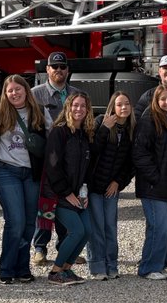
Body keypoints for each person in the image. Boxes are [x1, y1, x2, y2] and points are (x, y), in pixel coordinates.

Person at [0, 75, 46, 285]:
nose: (14, 93)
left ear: (26, 90)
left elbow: (50, 137)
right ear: (5, 94)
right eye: (10, 90)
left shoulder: (38, 112)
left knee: (30, 223)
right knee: (16, 221)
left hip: (30, 173)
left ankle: (22, 267)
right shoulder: (0, 113)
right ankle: (6, 267)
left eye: (18, 89)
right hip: (7, 171)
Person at [132, 84, 167, 279]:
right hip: (153, 185)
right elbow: (139, 154)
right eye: (163, 99)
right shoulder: (149, 120)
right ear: (156, 101)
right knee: (161, 226)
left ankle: (160, 264)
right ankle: (148, 268)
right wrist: (156, 177)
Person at [31, 51, 80, 265]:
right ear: (47, 70)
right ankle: (40, 248)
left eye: (62, 67)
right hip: (46, 158)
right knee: (45, 203)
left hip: (70, 159)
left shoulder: (77, 94)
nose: (58, 70)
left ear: (68, 70)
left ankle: (65, 246)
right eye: (54, 67)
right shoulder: (35, 94)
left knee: (65, 203)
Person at [43, 92, 94, 286]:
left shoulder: (85, 134)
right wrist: (67, 193)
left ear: (88, 110)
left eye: (83, 106)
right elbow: (53, 166)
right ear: (68, 108)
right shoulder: (59, 132)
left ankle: (67, 268)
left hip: (78, 194)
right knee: (76, 231)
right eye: (75, 105)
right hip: (60, 194)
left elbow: (88, 168)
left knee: (87, 231)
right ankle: (55, 271)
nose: (78, 109)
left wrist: (84, 191)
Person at [85, 91, 135, 280]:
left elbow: (131, 165)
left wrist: (118, 183)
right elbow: (92, 151)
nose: (124, 108)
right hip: (94, 186)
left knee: (110, 226)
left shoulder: (131, 130)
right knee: (96, 226)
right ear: (112, 107)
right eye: (119, 104)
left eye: (127, 104)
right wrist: (105, 128)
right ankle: (97, 266)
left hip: (111, 187)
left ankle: (112, 264)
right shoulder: (101, 122)